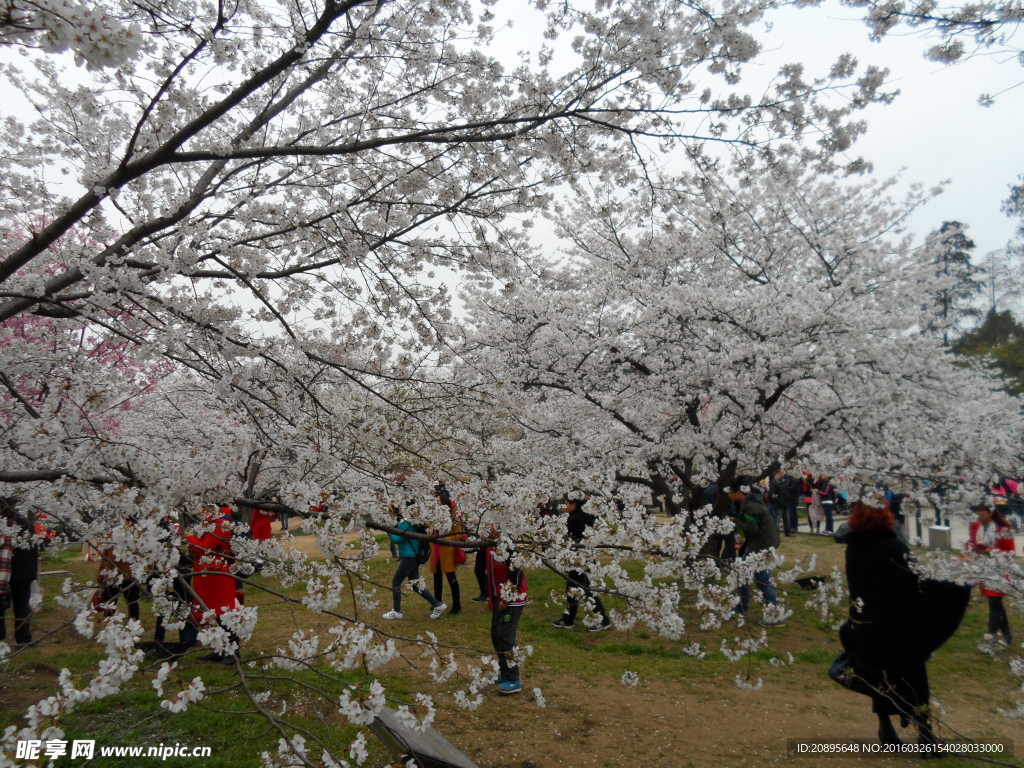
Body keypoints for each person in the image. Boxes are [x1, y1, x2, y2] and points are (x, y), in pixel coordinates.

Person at [839, 500, 969, 746]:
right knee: (914, 680)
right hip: (897, 629)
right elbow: (915, 585)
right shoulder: (893, 547)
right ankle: (925, 733)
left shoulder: (853, 548)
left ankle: (885, 728)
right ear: (883, 517)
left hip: (866, 626)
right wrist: (956, 583)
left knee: (881, 680)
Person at [185, 504, 241, 663]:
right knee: (210, 612)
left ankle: (233, 651)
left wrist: (189, 537)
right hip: (207, 574)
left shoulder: (223, 522)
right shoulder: (212, 521)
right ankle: (219, 649)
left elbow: (204, 548)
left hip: (218, 575)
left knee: (224, 613)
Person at [551, 491, 611, 631]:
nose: (564, 506)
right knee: (572, 588)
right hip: (583, 557)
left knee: (585, 589)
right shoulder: (585, 514)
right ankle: (568, 619)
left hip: (579, 559)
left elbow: (572, 540)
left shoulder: (576, 519)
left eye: (566, 503)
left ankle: (603, 620)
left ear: (574, 504)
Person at [486, 526, 528, 695]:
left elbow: (516, 576)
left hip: (513, 599)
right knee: (496, 635)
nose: (490, 528)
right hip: (499, 598)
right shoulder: (492, 545)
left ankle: (513, 678)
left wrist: (506, 598)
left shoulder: (510, 548)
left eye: (494, 525)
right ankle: (504, 671)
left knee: (505, 636)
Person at [732, 487, 784, 624]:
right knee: (742, 572)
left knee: (762, 582)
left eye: (730, 492)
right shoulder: (750, 504)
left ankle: (775, 617)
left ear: (738, 492)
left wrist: (736, 521)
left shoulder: (752, 507)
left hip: (762, 547)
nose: (729, 495)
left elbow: (752, 529)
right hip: (761, 545)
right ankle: (742, 606)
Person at [965, 504, 1015, 645]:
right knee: (995, 604)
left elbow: (1011, 552)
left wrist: (989, 552)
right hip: (985, 568)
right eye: (977, 514)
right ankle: (1006, 634)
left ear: (990, 512)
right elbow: (971, 543)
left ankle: (991, 637)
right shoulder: (976, 527)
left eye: (981, 514)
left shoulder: (1003, 529)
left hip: (999, 569)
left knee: (995, 602)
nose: (979, 518)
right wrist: (970, 551)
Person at [384, 507, 447, 620]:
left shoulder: (407, 523)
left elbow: (397, 539)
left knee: (396, 581)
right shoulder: (411, 521)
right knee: (414, 584)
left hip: (409, 557)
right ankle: (438, 605)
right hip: (413, 556)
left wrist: (388, 530)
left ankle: (397, 611)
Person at [0, 497, 38, 647]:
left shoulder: (11, 524)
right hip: (24, 572)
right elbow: (34, 549)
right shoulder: (25, 523)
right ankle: (23, 639)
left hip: (9, 571)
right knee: (21, 606)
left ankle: (7, 639)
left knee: (5, 606)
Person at [427, 487, 467, 615]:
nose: (436, 501)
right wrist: (431, 535)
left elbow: (459, 532)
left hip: (447, 549)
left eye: (438, 499)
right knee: (436, 577)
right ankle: (437, 602)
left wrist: (446, 538)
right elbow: (430, 527)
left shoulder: (453, 513)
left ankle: (457, 604)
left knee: (451, 577)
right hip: (436, 548)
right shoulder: (434, 513)